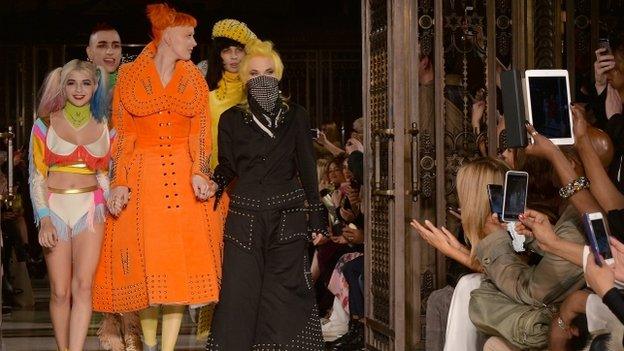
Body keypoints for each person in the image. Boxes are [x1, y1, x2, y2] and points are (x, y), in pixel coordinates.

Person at [92, 4, 222, 351]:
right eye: (188, 35)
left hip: (181, 177)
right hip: (144, 176)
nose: (194, 42)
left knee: (176, 266)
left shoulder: (193, 77)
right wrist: (120, 181)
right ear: (167, 36)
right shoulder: (132, 76)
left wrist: (199, 172)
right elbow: (125, 134)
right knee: (146, 263)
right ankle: (146, 344)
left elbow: (200, 132)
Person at [206, 39, 326, 350]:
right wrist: (213, 184)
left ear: (279, 75)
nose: (262, 78)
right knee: (239, 292)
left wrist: (316, 213)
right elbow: (228, 165)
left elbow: (307, 165)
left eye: (269, 72)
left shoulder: (296, 115)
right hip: (244, 215)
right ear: (245, 78)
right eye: (255, 73)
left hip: (288, 213)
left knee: (286, 290)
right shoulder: (231, 118)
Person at [29, 59, 111, 351]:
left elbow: (104, 174)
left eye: (86, 83)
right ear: (62, 86)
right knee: (60, 292)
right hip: (55, 210)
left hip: (91, 210)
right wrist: (45, 218)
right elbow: (37, 176)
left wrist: (112, 196)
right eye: (72, 83)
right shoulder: (45, 123)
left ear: (95, 86)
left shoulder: (104, 125)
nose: (79, 89)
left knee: (83, 287)